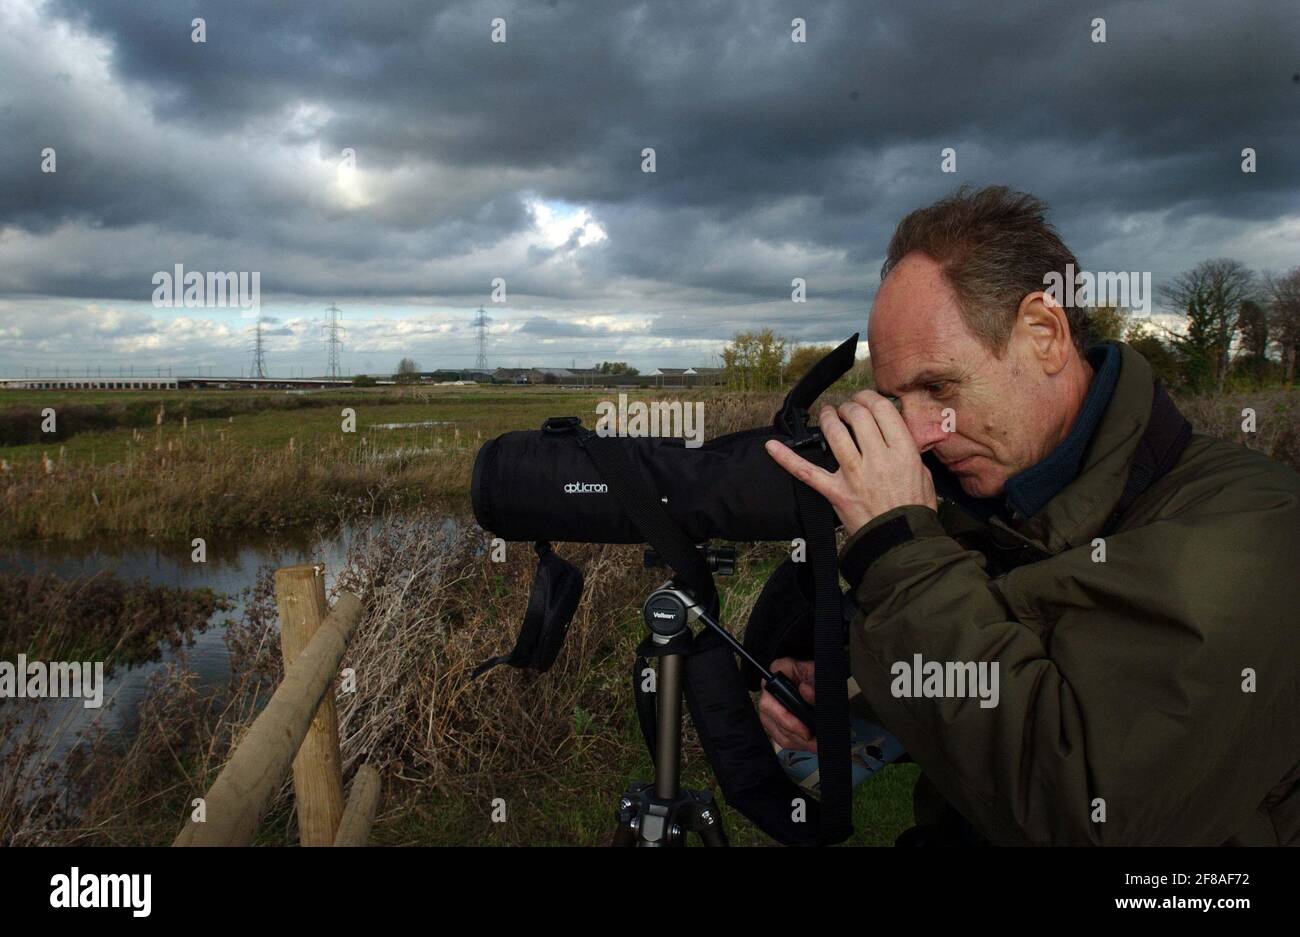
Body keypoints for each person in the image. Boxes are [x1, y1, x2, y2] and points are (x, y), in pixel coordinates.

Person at [761, 185, 1300, 845]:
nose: (922, 433)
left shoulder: (1248, 532)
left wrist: (901, 555)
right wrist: (848, 696)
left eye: (939, 386)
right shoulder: (1003, 497)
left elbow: (1086, 810)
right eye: (899, 400)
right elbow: (1011, 665)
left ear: (1044, 334)